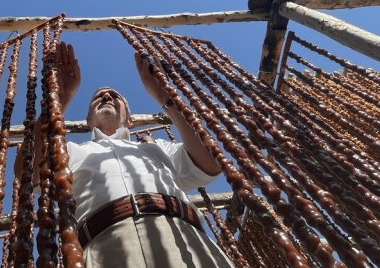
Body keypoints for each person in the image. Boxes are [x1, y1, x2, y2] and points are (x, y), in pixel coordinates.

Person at [15, 42, 233, 268]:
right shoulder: (69, 152)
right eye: (98, 97)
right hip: (104, 245)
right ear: (88, 120)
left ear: (131, 120)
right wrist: (59, 100)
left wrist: (166, 99)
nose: (107, 96)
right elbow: (26, 172)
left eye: (114, 96)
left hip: (183, 237)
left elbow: (210, 162)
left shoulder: (157, 148)